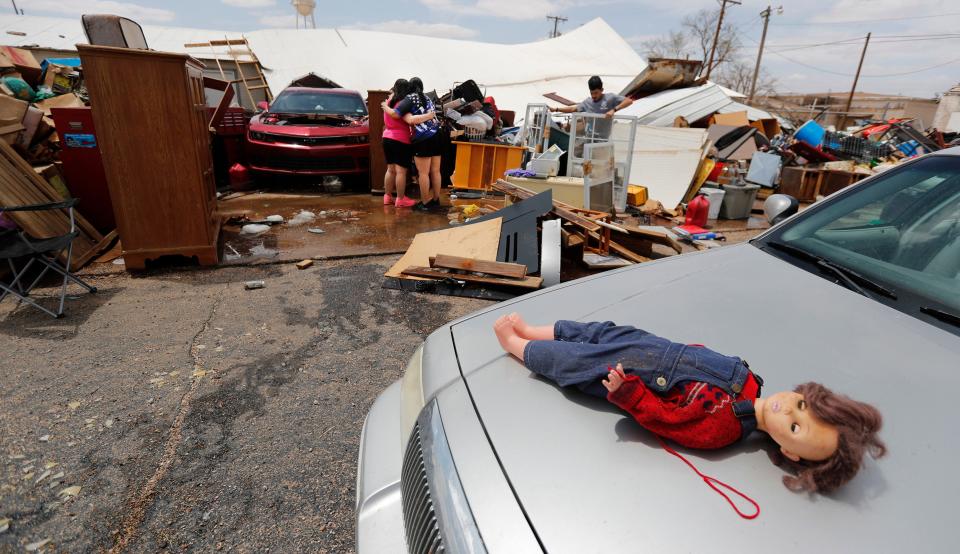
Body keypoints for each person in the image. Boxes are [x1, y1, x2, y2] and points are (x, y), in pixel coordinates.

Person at [493, 313, 886, 495]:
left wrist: (630, 393)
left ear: (788, 452)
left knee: (575, 363)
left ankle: (518, 345)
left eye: (796, 428)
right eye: (801, 404)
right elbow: (706, 356)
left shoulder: (724, 430)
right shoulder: (751, 380)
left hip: (637, 377)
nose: (788, 411)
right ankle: (534, 330)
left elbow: (667, 421)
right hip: (654, 346)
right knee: (601, 330)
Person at [383, 77, 443, 212]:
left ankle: (425, 202)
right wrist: (429, 116)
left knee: (423, 173)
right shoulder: (427, 98)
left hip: (423, 138)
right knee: (435, 171)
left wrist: (385, 106)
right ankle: (436, 199)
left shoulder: (409, 99)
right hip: (437, 135)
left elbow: (400, 115)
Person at [550, 75, 633, 139]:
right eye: (591, 93)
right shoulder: (588, 102)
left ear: (602, 90)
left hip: (604, 138)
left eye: (596, 93)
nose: (593, 96)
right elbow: (573, 108)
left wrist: (614, 110)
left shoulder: (610, 98)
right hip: (589, 137)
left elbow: (629, 101)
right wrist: (556, 109)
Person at [381, 79, 417, 208]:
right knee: (401, 171)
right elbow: (409, 121)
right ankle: (401, 199)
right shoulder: (402, 104)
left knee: (390, 170)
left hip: (386, 137)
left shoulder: (388, 102)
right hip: (400, 139)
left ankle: (387, 197)